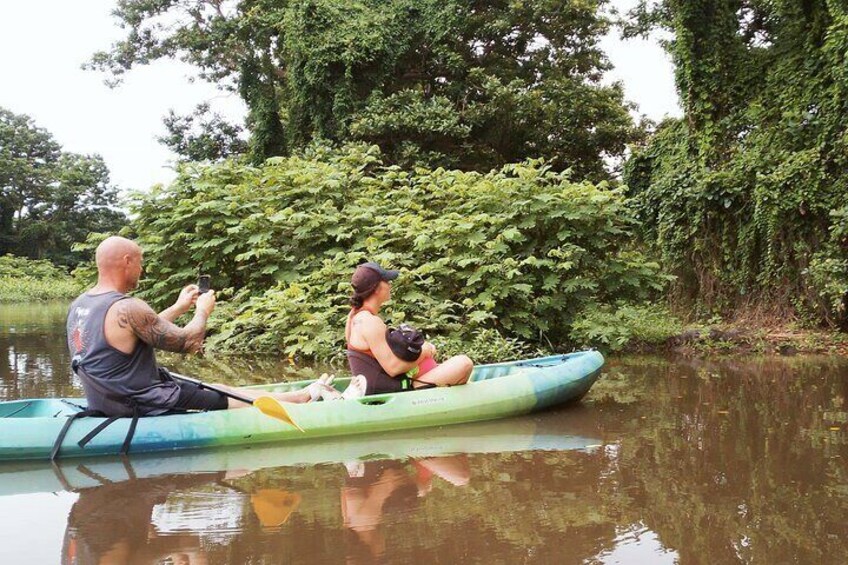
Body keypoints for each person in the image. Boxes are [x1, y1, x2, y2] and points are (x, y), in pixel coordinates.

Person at [66, 236, 333, 417]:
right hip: (143, 402)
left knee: (214, 385)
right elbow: (190, 343)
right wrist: (202, 312)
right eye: (140, 262)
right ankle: (302, 400)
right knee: (221, 395)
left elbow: (133, 334)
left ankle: (298, 395)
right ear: (127, 261)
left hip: (108, 399)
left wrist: (180, 307)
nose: (142, 269)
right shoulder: (128, 306)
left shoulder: (81, 303)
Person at [344, 262, 473, 395]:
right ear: (376, 288)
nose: (390, 285)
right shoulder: (369, 321)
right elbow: (393, 368)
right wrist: (424, 351)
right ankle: (418, 389)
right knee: (464, 363)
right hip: (391, 391)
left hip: (388, 384)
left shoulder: (354, 315)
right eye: (387, 281)